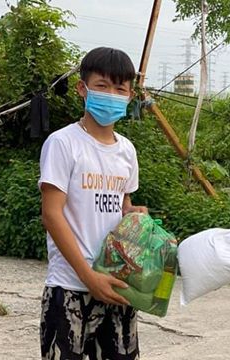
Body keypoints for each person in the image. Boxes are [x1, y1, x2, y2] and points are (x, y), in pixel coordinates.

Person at [39, 47, 147, 360]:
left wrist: (135, 215)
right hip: (71, 285)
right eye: (102, 86)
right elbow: (52, 214)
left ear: (130, 96)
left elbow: (123, 205)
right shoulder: (63, 143)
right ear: (82, 89)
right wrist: (89, 276)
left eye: (120, 88)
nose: (112, 94)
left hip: (116, 282)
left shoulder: (127, 151)